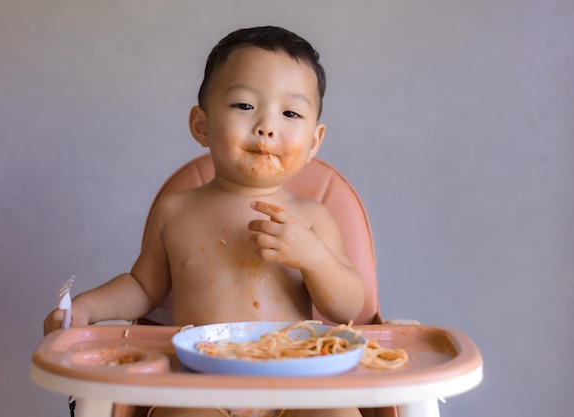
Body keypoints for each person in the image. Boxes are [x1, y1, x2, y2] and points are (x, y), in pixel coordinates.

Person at [44, 26, 366, 417]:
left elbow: (349, 307)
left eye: (290, 113)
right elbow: (144, 287)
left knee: (338, 413)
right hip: (197, 382)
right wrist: (87, 310)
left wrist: (315, 259)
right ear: (201, 125)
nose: (267, 126)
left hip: (295, 379)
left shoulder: (314, 218)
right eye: (244, 106)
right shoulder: (176, 211)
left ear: (314, 141)